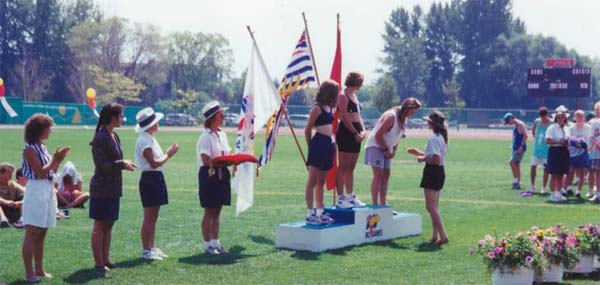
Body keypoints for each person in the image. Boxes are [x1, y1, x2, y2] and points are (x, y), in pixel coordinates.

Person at [21, 114, 70, 282]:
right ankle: (29, 273)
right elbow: (39, 171)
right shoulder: (29, 149)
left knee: (42, 231)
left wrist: (58, 160)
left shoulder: (42, 148)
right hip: (36, 190)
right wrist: (54, 160)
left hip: (48, 189)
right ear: (39, 129)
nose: (51, 131)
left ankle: (39, 270)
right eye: (48, 127)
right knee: (32, 232)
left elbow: (50, 171)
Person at [89, 103, 136, 276]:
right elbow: (101, 165)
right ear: (113, 118)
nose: (122, 119)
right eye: (120, 116)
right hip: (101, 187)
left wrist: (122, 164)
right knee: (100, 225)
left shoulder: (114, 135)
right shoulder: (100, 137)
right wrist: (122, 164)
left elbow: (114, 163)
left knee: (109, 225)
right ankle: (98, 263)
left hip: (113, 187)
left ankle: (106, 259)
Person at [134, 107, 179, 260]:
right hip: (150, 179)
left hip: (156, 178)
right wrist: (169, 154)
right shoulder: (144, 140)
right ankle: (146, 250)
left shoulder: (150, 138)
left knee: (153, 216)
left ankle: (151, 247)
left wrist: (167, 155)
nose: (158, 124)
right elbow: (153, 163)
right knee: (148, 216)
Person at [364, 97, 421, 206]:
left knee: (386, 174)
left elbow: (398, 136)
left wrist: (394, 150)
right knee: (378, 174)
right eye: (412, 111)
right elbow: (378, 135)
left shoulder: (405, 118)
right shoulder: (391, 116)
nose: (413, 114)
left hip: (387, 147)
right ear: (406, 108)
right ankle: (375, 204)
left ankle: (383, 203)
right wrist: (385, 149)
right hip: (376, 145)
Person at [407, 111, 449, 245]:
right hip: (438, 172)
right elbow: (433, 154)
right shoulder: (440, 137)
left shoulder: (434, 138)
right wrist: (418, 153)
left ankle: (443, 235)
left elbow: (435, 159)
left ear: (432, 123)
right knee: (434, 206)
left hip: (433, 172)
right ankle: (435, 235)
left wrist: (422, 159)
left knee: (431, 207)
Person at [196, 100, 232, 254]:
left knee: (218, 210)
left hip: (222, 173)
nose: (223, 116)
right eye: (220, 114)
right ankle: (207, 244)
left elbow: (227, 154)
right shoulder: (205, 136)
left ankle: (216, 242)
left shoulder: (222, 134)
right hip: (209, 174)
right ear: (213, 117)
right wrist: (218, 163)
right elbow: (205, 158)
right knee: (209, 210)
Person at [303, 80, 339, 225]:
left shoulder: (330, 108)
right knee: (312, 180)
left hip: (329, 144)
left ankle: (320, 211)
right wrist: (310, 146)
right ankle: (310, 213)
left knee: (321, 181)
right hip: (318, 144)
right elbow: (308, 129)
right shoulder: (317, 108)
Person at [335, 72, 367, 209]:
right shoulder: (343, 95)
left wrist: (363, 131)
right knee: (343, 166)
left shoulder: (355, 96)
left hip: (357, 132)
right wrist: (354, 132)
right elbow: (343, 116)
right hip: (346, 133)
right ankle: (341, 198)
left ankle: (350, 196)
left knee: (351, 167)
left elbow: (358, 116)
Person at [545, 105, 571, 203]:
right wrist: (559, 142)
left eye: (563, 116)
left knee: (561, 174)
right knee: (554, 174)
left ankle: (558, 193)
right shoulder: (552, 127)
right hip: (555, 151)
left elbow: (568, 140)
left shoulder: (567, 128)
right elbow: (548, 140)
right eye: (559, 117)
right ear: (556, 118)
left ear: (565, 118)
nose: (561, 118)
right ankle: (552, 195)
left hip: (564, 152)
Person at [563, 110, 590, 199]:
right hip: (572, 154)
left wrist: (586, 146)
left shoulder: (588, 127)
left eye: (581, 116)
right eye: (578, 116)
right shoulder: (570, 128)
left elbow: (589, 141)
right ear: (575, 117)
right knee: (569, 173)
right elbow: (568, 140)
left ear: (584, 117)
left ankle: (578, 192)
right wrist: (576, 143)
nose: (580, 118)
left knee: (582, 174)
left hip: (583, 153)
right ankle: (565, 190)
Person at [527, 107, 550, 194]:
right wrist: (536, 139)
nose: (543, 118)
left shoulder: (551, 122)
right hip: (537, 149)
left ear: (547, 114)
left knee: (546, 169)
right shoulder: (537, 121)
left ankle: (543, 187)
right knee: (533, 166)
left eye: (544, 116)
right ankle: (532, 186)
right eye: (541, 116)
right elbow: (533, 130)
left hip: (546, 150)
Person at [503, 113, 528, 190]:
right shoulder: (516, 125)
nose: (508, 123)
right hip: (516, 147)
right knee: (516, 164)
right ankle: (517, 182)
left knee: (511, 162)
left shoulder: (520, 124)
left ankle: (516, 181)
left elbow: (525, 136)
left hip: (519, 148)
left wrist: (521, 146)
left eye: (508, 121)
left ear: (511, 118)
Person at [0, 163, 24, 228]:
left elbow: (25, 191)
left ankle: (22, 219)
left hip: (12, 209)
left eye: (11, 172)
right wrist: (5, 202)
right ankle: (3, 219)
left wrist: (20, 202)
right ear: (1, 174)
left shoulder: (12, 184)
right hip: (2, 209)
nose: (11, 174)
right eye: (8, 172)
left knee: (24, 196)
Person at [589, 102, 600, 202]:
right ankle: (598, 194)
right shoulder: (594, 123)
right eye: (597, 110)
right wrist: (597, 144)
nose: (598, 111)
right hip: (597, 151)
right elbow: (591, 136)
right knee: (598, 172)